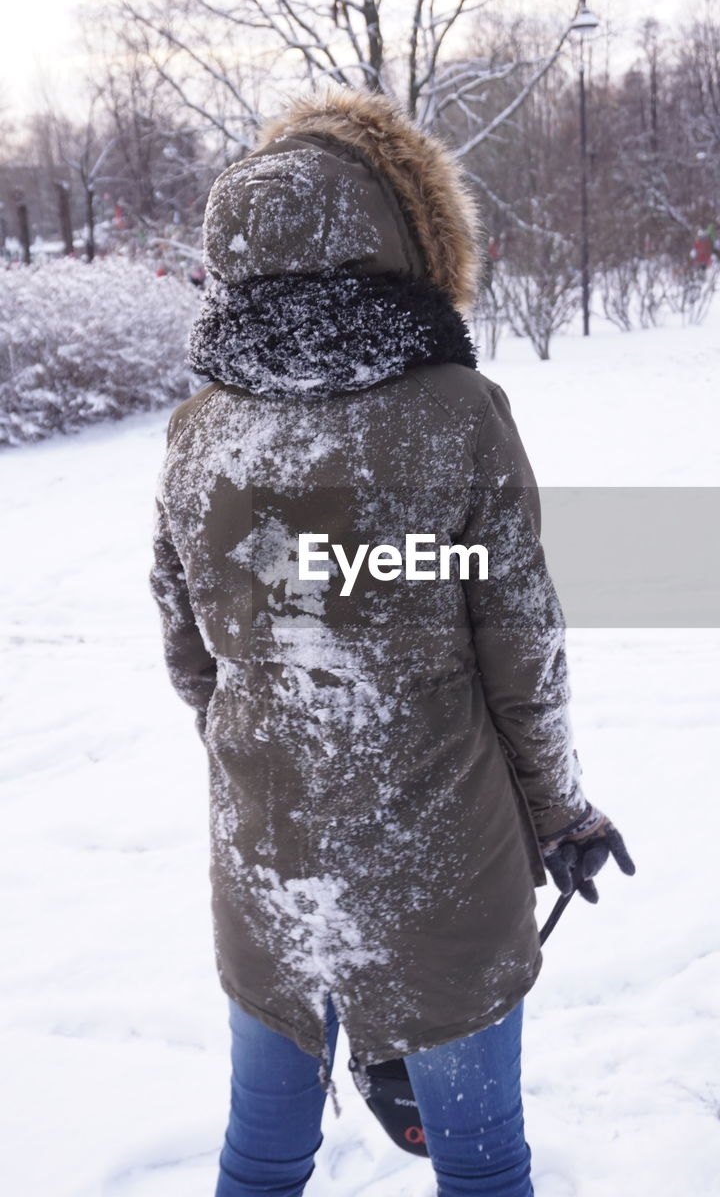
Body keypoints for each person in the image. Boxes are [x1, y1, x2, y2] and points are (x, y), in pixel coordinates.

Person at [149, 86, 635, 1197]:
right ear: (398, 226)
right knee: (481, 1165)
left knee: (262, 1159)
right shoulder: (458, 408)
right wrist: (557, 810)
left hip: (268, 870)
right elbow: (523, 648)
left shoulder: (197, 429)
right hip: (443, 872)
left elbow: (189, 648)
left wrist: (275, 746)